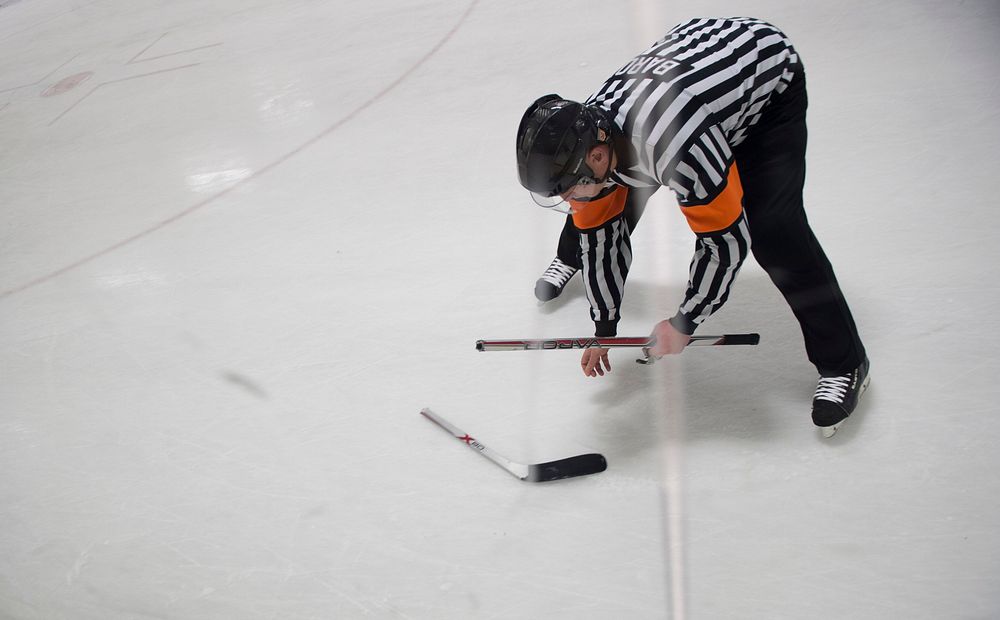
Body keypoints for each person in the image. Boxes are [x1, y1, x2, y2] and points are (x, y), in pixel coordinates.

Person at [515, 17, 870, 437]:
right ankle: (566, 257)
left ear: (596, 156)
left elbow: (725, 243)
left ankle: (845, 363)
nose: (566, 199)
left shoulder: (679, 147)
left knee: (775, 231)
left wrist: (685, 322)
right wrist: (604, 328)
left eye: (568, 188)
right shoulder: (590, 134)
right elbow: (601, 237)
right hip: (692, 72)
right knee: (593, 214)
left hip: (766, 80)